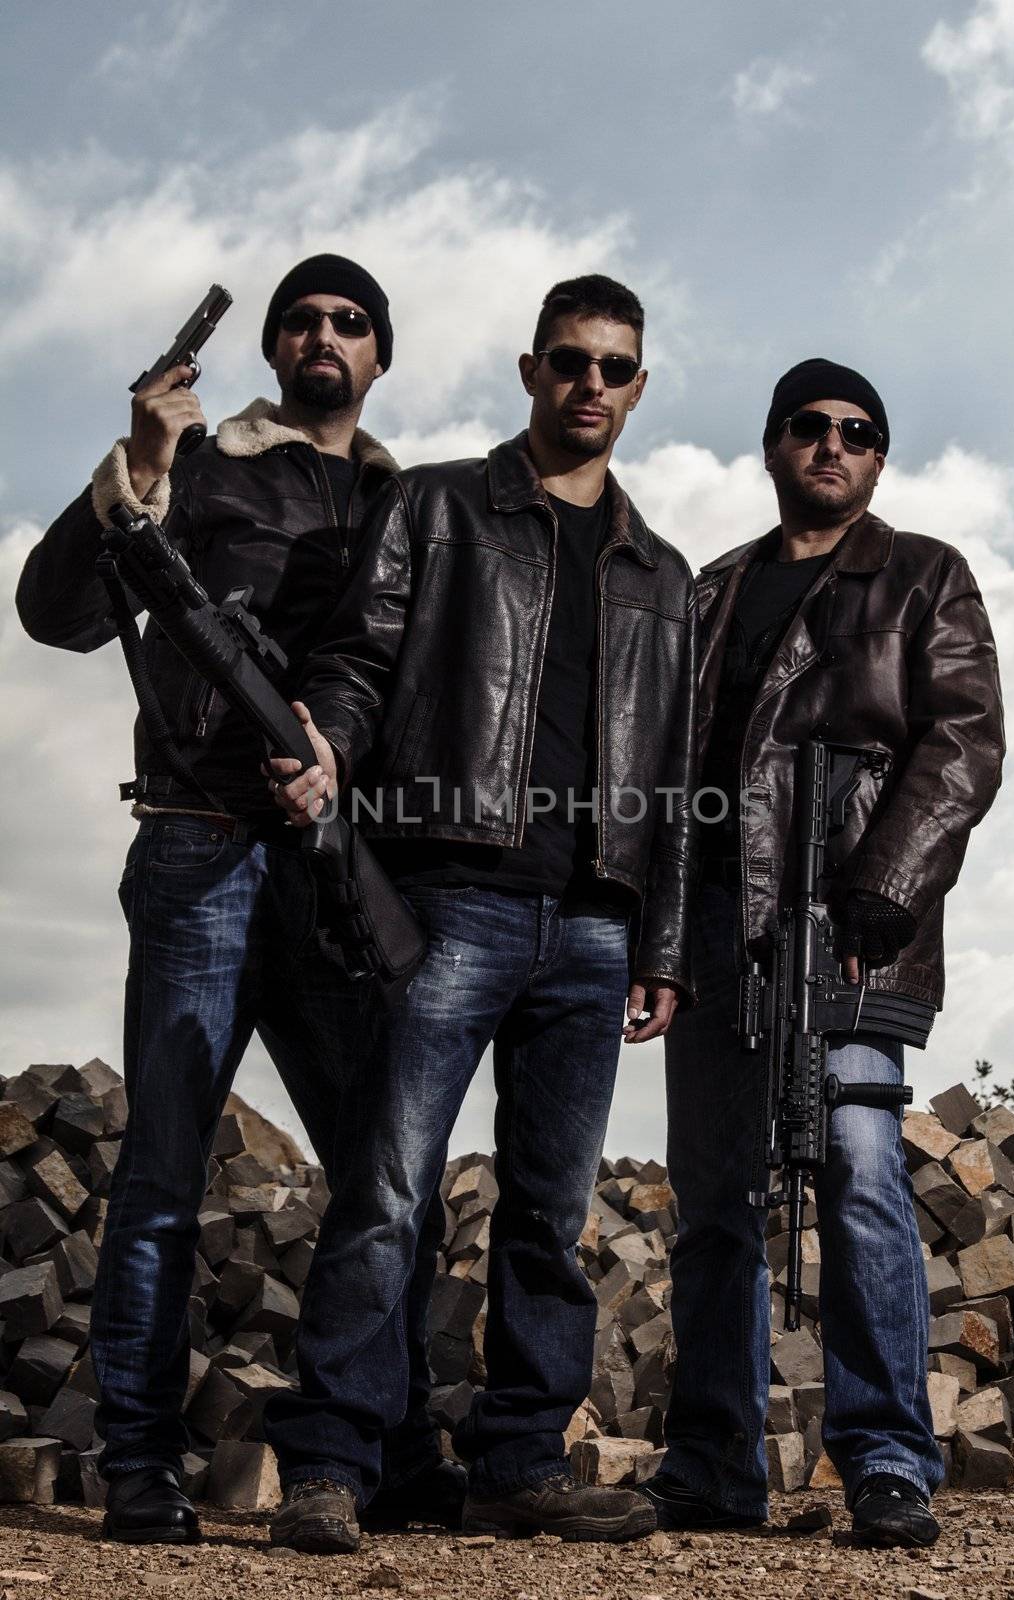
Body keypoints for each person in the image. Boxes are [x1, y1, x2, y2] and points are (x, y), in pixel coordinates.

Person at [15, 254, 462, 1545]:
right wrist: (139, 466)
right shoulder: (194, 464)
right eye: (302, 319)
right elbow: (56, 615)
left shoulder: (409, 503)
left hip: (334, 870)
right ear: (272, 348)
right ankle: (140, 1468)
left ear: (379, 355)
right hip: (198, 846)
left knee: (387, 1181)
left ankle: (383, 1450)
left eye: (351, 320)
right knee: (161, 1176)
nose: (325, 333)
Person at [262, 274, 699, 1551]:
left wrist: (657, 943)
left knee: (549, 1213)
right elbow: (356, 659)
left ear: (636, 386)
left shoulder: (660, 574)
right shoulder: (438, 503)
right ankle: (332, 1463)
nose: (589, 385)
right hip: (448, 896)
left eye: (613, 367)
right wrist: (328, 744)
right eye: (568, 360)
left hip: (593, 927)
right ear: (528, 370)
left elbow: (672, 782)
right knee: (387, 1188)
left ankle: (516, 1462)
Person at [641, 358, 1005, 1547]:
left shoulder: (922, 576)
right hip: (715, 931)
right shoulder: (705, 594)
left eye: (857, 430)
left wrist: (881, 884)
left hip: (854, 933)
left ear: (878, 456)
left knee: (854, 1160)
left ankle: (888, 1457)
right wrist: (661, 937)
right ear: (771, 444)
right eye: (808, 425)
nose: (832, 444)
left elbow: (961, 742)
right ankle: (708, 1462)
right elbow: (660, 776)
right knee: (713, 1201)